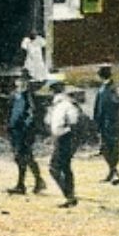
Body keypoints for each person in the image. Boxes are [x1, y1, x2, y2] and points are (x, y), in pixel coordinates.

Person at [5, 68, 48, 195]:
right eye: (19, 80)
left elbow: (34, 113)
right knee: (21, 157)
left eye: (24, 80)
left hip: (25, 131)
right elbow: (9, 112)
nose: (21, 82)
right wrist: (8, 125)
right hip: (14, 130)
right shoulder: (13, 95)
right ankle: (34, 181)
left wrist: (28, 126)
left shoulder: (30, 96)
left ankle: (23, 184)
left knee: (25, 156)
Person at [45, 76, 83, 208]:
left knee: (54, 168)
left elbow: (74, 123)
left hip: (65, 139)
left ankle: (69, 196)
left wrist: (64, 134)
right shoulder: (58, 105)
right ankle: (70, 195)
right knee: (65, 167)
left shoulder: (66, 105)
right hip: (61, 138)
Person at [92, 63, 119, 185]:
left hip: (111, 123)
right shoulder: (105, 88)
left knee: (110, 148)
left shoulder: (110, 88)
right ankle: (114, 173)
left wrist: (112, 110)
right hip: (106, 122)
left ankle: (114, 173)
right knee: (106, 149)